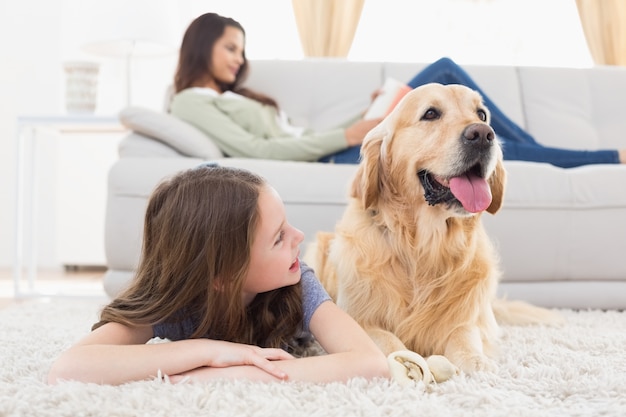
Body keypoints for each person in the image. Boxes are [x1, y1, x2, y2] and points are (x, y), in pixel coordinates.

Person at [47, 164, 389, 385]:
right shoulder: (173, 302)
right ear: (223, 276)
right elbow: (68, 368)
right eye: (278, 237)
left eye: (287, 225)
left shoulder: (299, 283)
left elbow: (371, 364)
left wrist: (227, 375)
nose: (300, 236)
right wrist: (209, 351)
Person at [170, 12, 626, 169]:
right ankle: (586, 157)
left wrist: (366, 115)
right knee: (446, 74)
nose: (237, 58)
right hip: (335, 155)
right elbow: (261, 150)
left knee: (449, 80)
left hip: (338, 142)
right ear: (200, 44)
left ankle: (543, 151)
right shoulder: (191, 102)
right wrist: (352, 136)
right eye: (230, 47)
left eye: (240, 50)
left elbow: (293, 134)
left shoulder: (239, 97)